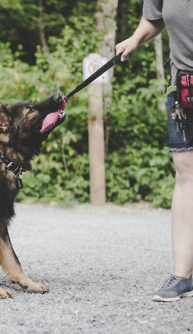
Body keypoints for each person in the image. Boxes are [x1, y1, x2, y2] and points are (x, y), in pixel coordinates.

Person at [115, 0, 193, 302]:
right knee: (186, 175)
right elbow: (155, 17)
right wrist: (135, 39)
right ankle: (182, 274)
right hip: (184, 85)